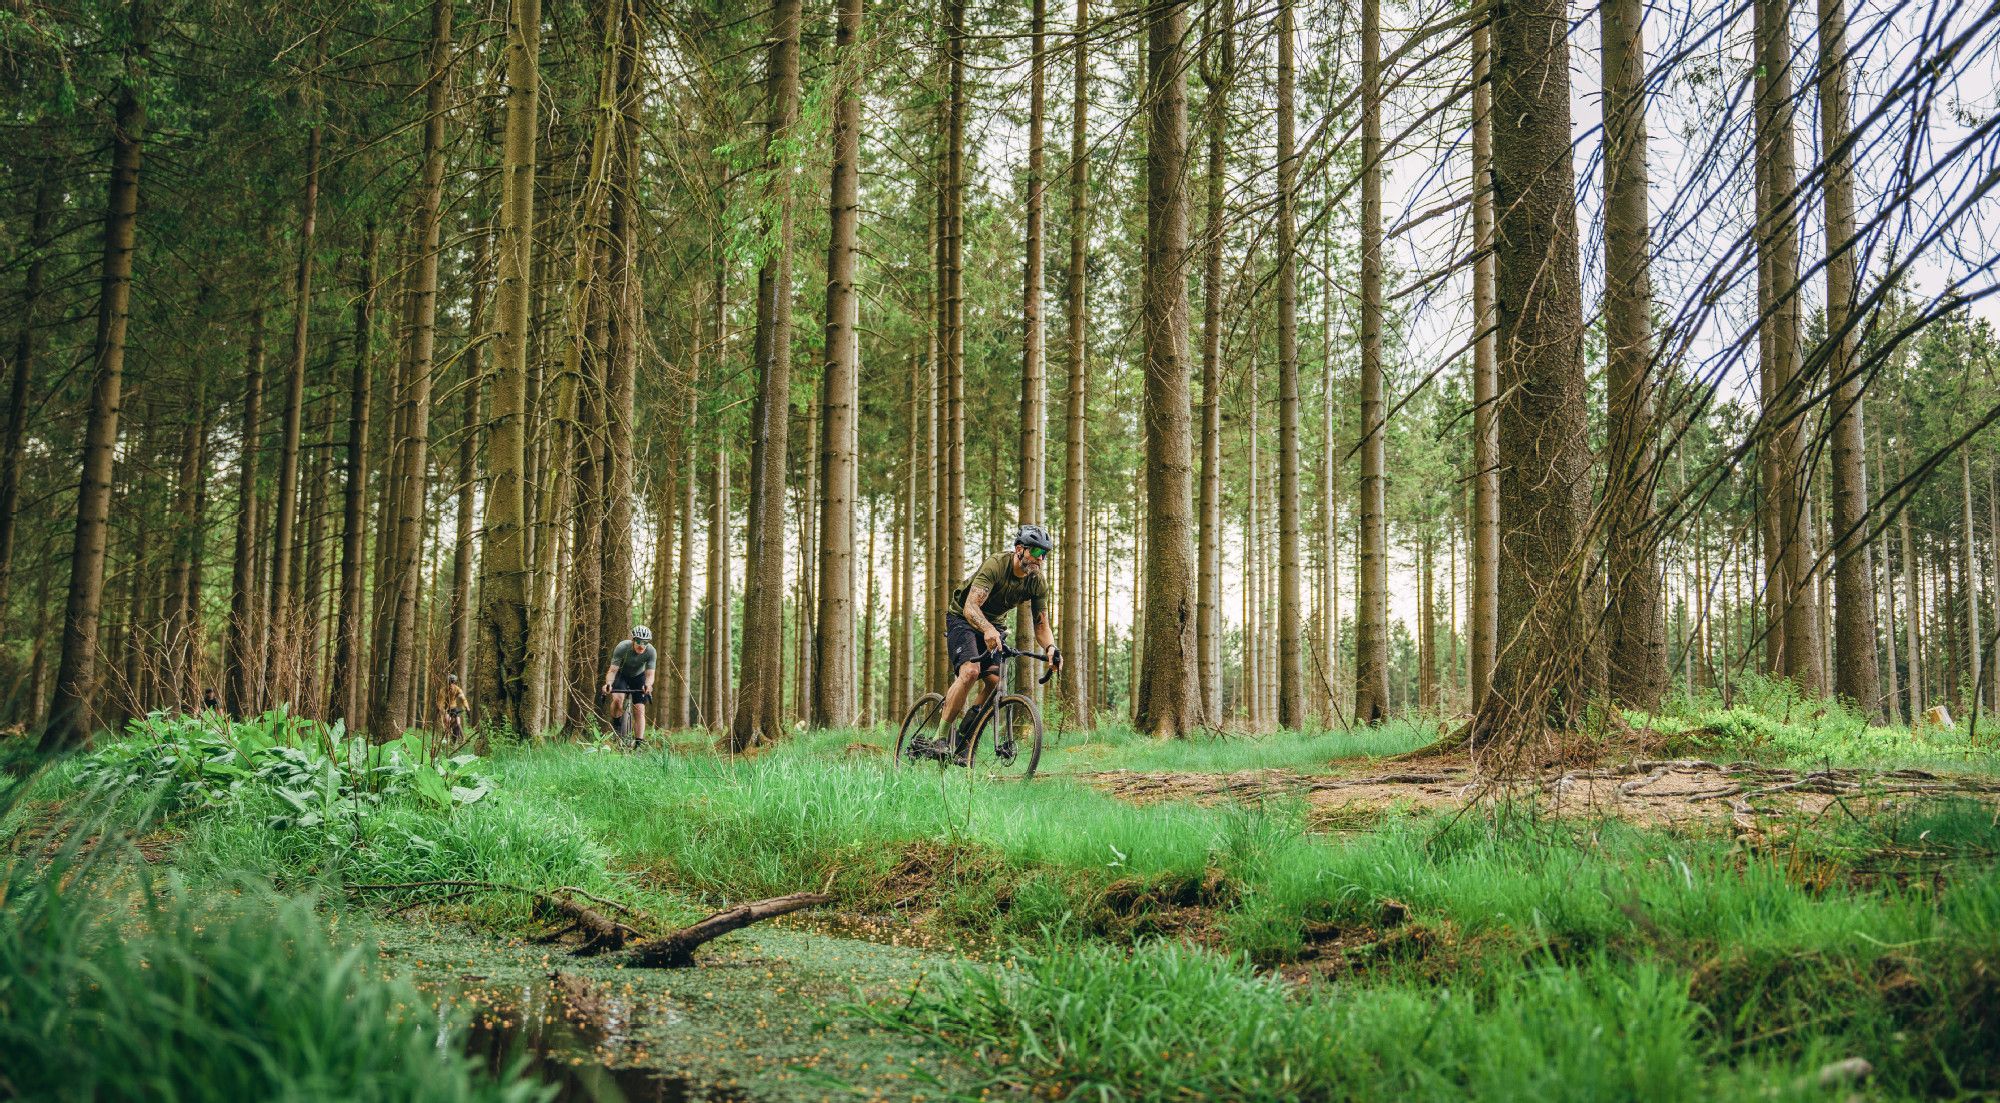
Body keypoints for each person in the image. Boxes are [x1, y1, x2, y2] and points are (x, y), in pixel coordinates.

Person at [925, 524, 1063, 763]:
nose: (1040, 560)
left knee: (994, 682)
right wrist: (986, 628)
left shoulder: (1037, 582)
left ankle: (962, 740)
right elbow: (970, 606)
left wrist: (1050, 648)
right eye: (1037, 553)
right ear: (1019, 549)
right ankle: (940, 737)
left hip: (995, 626)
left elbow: (1041, 625)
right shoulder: (997, 565)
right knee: (970, 672)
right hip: (963, 618)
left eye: (1045, 555)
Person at [602, 625, 657, 747]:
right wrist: (609, 684)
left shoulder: (651, 651)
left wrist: (648, 685)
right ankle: (616, 725)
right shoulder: (622, 647)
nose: (641, 645)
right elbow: (612, 671)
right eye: (638, 641)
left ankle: (638, 743)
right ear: (633, 640)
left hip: (639, 677)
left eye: (645, 642)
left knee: (639, 709)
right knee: (617, 700)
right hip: (622, 675)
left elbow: (650, 674)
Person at [437, 674, 469, 744]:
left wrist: (467, 707)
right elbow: (440, 701)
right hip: (446, 709)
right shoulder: (443, 690)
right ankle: (446, 737)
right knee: (447, 720)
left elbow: (463, 699)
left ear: (455, 683)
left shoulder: (457, 689)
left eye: (453, 682)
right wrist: (441, 709)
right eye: (450, 682)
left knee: (458, 722)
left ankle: (461, 739)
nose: (451, 684)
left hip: (454, 708)